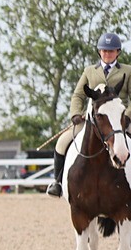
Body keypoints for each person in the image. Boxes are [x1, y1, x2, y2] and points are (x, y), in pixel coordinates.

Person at [48, 32, 131, 197]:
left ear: (118, 52)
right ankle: (57, 183)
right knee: (62, 142)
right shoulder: (89, 71)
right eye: (104, 51)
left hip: (120, 118)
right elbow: (78, 95)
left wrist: (127, 116)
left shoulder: (128, 71)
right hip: (95, 119)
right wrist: (75, 114)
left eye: (111, 51)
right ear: (99, 51)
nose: (107, 54)